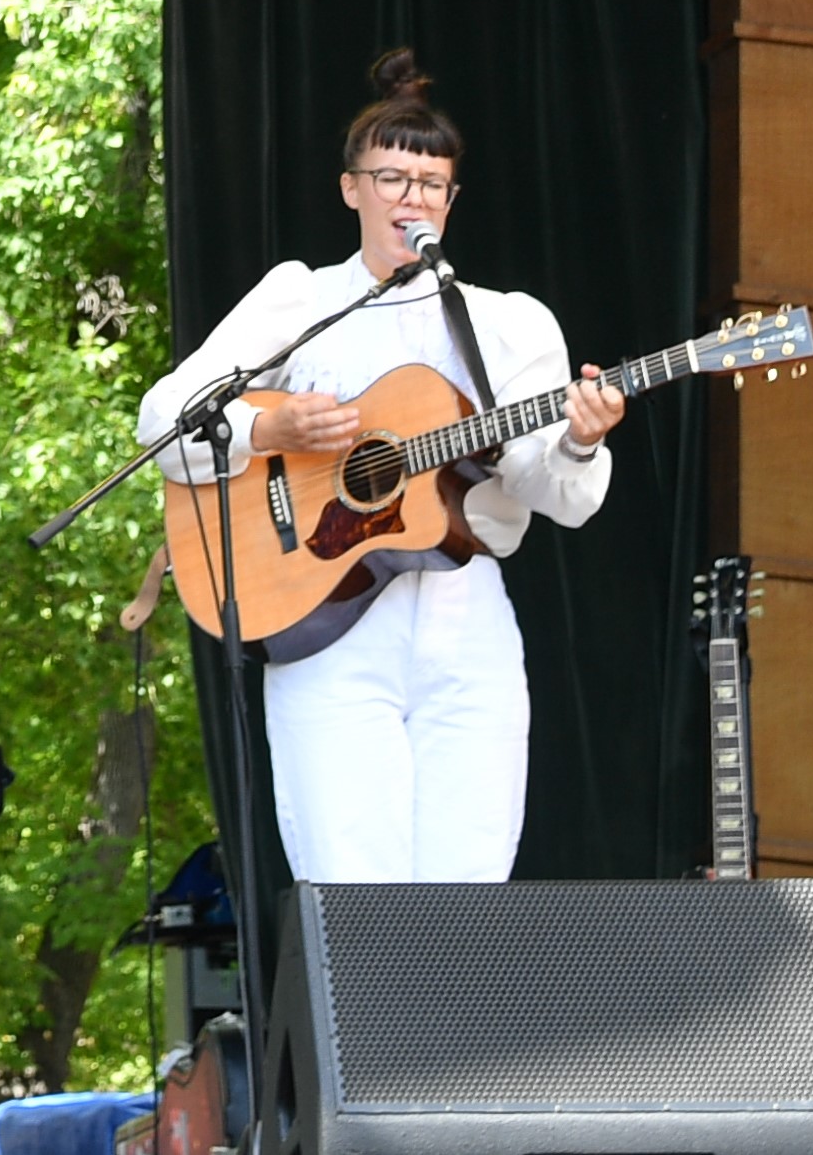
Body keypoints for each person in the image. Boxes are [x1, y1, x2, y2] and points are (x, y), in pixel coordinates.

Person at [133, 51, 619, 885]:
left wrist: (578, 440)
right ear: (350, 188)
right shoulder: (300, 299)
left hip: (467, 627)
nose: (412, 199)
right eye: (391, 178)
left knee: (466, 899)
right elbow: (161, 420)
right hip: (326, 619)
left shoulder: (506, 325)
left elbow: (556, 499)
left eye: (431, 185)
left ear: (451, 199)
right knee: (353, 898)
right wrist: (271, 424)